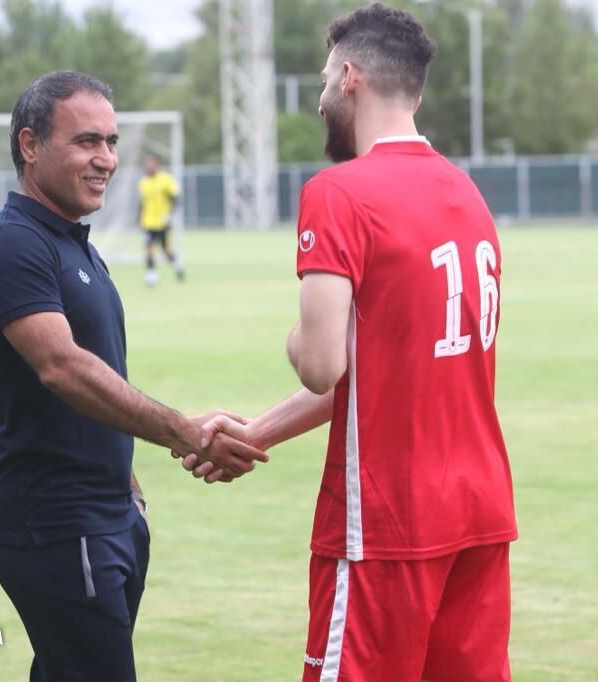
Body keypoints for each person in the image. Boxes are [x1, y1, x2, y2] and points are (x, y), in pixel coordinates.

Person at [186, 5, 517, 680]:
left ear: (349, 77)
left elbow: (322, 365)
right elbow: (383, 373)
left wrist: (300, 336)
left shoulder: (339, 192)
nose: (318, 100)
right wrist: (257, 432)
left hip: (386, 523)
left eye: (321, 82)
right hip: (479, 512)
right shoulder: (466, 192)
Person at [0, 70, 267, 682]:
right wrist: (181, 431)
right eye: (85, 142)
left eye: (111, 142)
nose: (105, 159)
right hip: (55, 522)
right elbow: (61, 366)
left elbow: (90, 374)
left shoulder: (76, 244)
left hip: (108, 515)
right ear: (29, 145)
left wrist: (121, 474)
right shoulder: (10, 245)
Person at [137, 154, 184, 286]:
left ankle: (177, 266)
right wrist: (139, 220)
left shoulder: (166, 179)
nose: (148, 166)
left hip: (163, 222)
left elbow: (176, 198)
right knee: (148, 247)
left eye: (151, 163)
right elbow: (141, 203)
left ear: (157, 165)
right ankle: (151, 275)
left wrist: (170, 215)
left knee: (165, 249)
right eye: (147, 164)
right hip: (147, 222)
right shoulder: (143, 182)